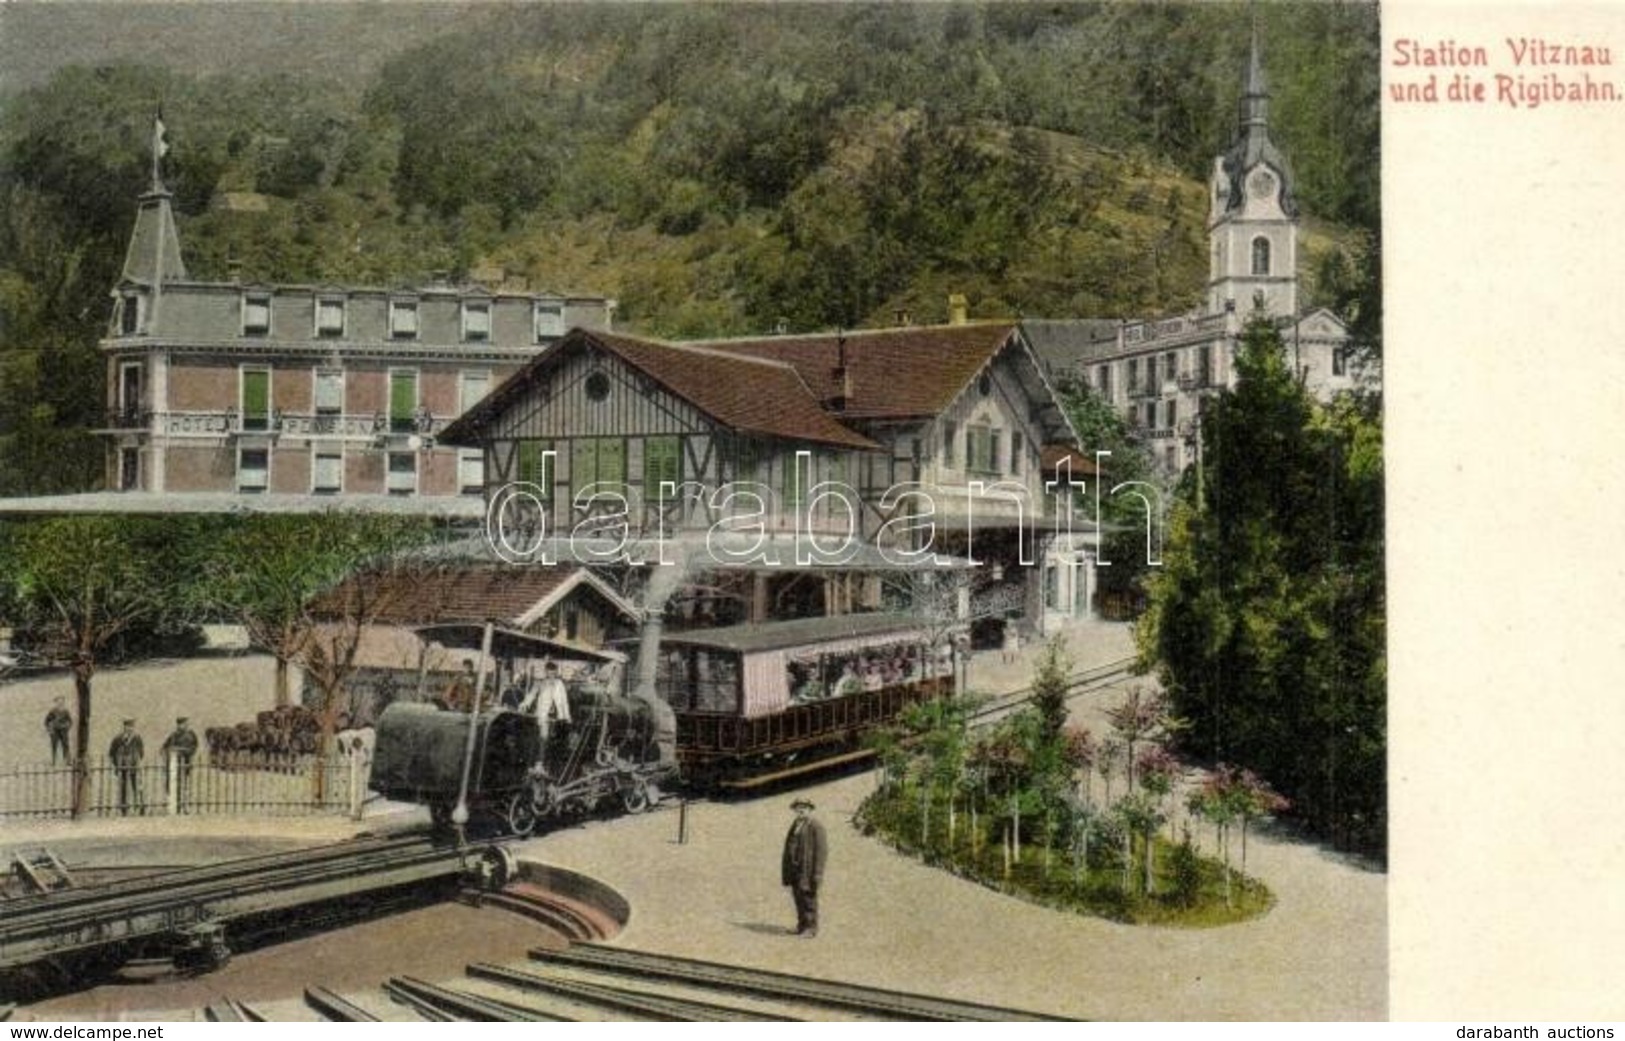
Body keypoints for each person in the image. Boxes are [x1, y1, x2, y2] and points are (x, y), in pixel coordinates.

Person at [780, 797, 828, 938]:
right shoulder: (795, 824)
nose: (801, 810)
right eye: (798, 807)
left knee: (808, 898)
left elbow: (821, 851)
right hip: (795, 868)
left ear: (810, 809)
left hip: (807, 869)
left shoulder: (816, 826)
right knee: (797, 896)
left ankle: (811, 928)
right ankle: (801, 926)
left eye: (804, 807)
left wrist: (817, 873)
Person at [161, 716, 199, 812]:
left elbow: (194, 748)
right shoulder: (173, 735)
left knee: (186, 785)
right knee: (175, 785)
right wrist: (168, 753)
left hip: (186, 763)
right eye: (180, 724)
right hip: (174, 765)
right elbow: (164, 747)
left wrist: (183, 751)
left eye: (184, 724)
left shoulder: (191, 735)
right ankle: (176, 805)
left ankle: (186, 805)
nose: (182, 726)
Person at [109, 719, 145, 816]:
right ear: (124, 727)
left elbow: (141, 752)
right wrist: (117, 765)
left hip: (134, 766)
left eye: (131, 727)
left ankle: (139, 806)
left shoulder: (137, 738)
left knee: (136, 786)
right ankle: (124, 808)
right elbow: (112, 752)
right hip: (122, 766)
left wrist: (135, 761)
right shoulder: (118, 738)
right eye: (128, 726)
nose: (130, 729)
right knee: (123, 787)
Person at [44, 696, 72, 765]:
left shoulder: (66, 711)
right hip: (55, 731)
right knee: (54, 746)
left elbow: (70, 721)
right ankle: (53, 761)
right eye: (58, 702)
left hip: (63, 731)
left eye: (62, 702)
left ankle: (67, 761)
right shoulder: (52, 711)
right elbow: (46, 721)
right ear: (56, 702)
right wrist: (50, 729)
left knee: (65, 746)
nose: (60, 703)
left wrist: (67, 727)